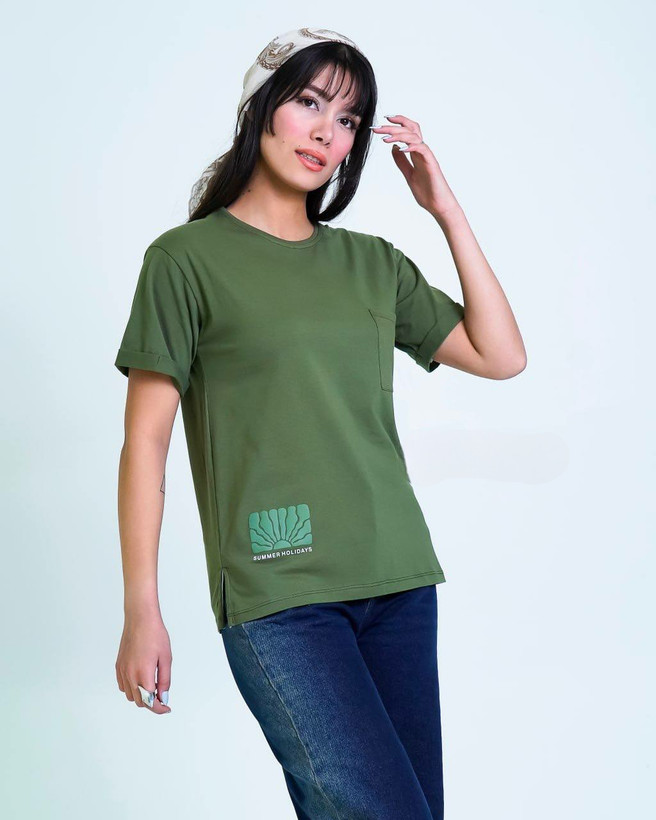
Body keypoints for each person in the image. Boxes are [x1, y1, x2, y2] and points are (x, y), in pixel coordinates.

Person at [113, 27, 527, 819]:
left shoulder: (371, 264)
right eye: (309, 102)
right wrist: (142, 608)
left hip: (397, 581)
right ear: (262, 107)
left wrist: (445, 211)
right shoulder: (184, 261)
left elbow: (501, 355)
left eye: (347, 120)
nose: (325, 132)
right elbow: (146, 442)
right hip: (281, 592)